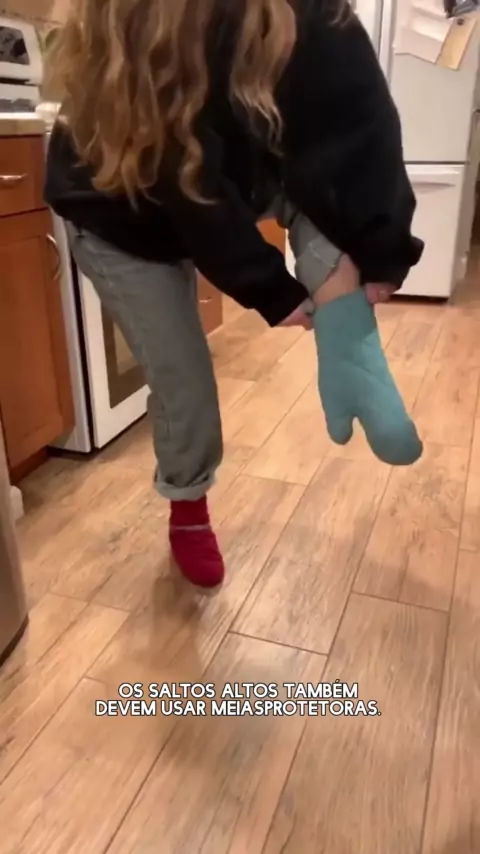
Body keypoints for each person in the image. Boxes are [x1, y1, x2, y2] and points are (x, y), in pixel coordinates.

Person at [43, 0, 424, 592]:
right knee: (185, 383)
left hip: (218, 176)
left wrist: (381, 247)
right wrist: (269, 288)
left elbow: (359, 119)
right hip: (119, 209)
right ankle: (188, 508)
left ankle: (351, 345)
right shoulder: (145, 20)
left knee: (324, 201)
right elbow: (187, 184)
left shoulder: (307, 9)